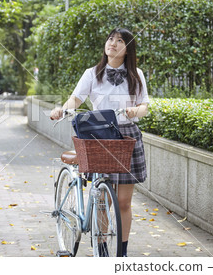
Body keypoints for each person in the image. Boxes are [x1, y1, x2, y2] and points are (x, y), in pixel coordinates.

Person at [50, 27, 149, 257]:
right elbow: (76, 99)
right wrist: (61, 110)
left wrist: (136, 111)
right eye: (110, 39)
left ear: (128, 49)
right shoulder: (92, 73)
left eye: (119, 40)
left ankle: (121, 253)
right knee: (103, 200)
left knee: (123, 202)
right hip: (100, 136)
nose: (112, 43)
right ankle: (102, 249)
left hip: (127, 138)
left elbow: (145, 105)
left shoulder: (137, 74)